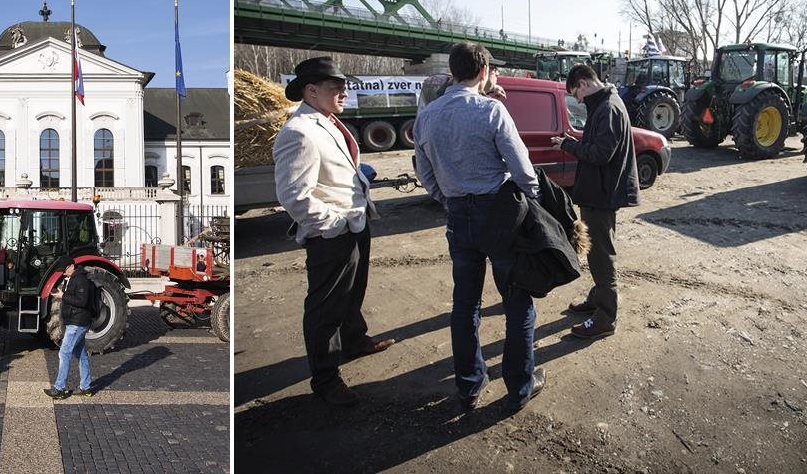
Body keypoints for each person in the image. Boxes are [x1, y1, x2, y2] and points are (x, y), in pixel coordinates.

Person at [414, 42, 546, 412]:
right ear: (485, 70)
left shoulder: (428, 115)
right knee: (518, 302)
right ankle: (520, 387)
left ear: (454, 72)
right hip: (499, 216)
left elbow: (424, 171)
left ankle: (469, 385)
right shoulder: (492, 111)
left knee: (465, 304)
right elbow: (523, 172)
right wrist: (532, 201)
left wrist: (448, 198)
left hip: (458, 216)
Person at [273, 56, 394, 407]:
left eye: (344, 86)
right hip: (333, 234)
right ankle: (325, 380)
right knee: (325, 308)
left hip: (355, 222)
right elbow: (293, 195)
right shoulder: (299, 131)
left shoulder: (325, 121)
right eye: (335, 87)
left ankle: (355, 340)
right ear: (311, 90)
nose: (344, 91)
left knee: (353, 292)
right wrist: (334, 225)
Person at [552, 63, 639, 340]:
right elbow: (599, 145)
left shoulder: (609, 108)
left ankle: (605, 318)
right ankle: (597, 299)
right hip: (597, 192)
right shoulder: (603, 105)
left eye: (576, 94)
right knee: (595, 252)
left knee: (601, 255)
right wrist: (574, 140)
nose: (577, 100)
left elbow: (601, 153)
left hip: (602, 195)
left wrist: (568, 145)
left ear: (584, 84)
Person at [44, 262, 97, 399]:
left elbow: (82, 302)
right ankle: (86, 387)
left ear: (71, 266)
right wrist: (62, 295)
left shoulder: (80, 280)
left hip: (77, 323)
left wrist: (63, 296)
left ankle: (59, 388)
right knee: (81, 354)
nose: (63, 272)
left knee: (64, 353)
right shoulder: (75, 278)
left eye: (64, 269)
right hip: (76, 322)